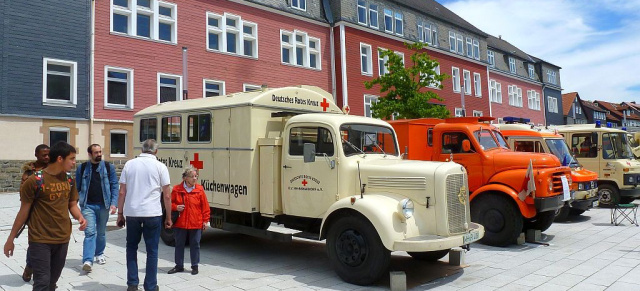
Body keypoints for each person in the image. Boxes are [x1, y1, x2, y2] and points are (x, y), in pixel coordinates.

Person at [4, 141, 87, 291]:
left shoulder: (69, 180)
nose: (75, 162)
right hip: (40, 239)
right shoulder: (34, 180)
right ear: (60, 159)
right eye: (72, 158)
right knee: (42, 283)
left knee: (52, 283)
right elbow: (23, 212)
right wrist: (10, 239)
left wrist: (80, 217)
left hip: (62, 238)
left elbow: (72, 205)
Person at [117, 139, 172, 291]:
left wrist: (120, 213)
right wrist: (168, 217)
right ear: (156, 151)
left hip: (133, 212)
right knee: (152, 250)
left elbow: (122, 191)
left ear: (142, 149)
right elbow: (167, 195)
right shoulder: (160, 166)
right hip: (152, 212)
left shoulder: (129, 164)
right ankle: (150, 286)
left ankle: (132, 284)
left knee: (131, 247)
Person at [75, 144, 119, 273]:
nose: (99, 154)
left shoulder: (108, 167)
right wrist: (74, 204)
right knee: (90, 232)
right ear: (90, 154)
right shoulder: (82, 168)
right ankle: (88, 260)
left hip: (104, 205)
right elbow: (77, 187)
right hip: (88, 205)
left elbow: (114, 186)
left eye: (100, 152)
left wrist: (114, 203)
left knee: (101, 232)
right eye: (96, 152)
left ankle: (99, 253)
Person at [168, 166, 210, 275]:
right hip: (180, 223)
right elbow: (170, 204)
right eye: (192, 176)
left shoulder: (199, 189)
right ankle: (179, 265)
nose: (195, 178)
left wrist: (205, 220)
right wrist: (176, 207)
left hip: (196, 223)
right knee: (179, 244)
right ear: (185, 178)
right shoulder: (177, 189)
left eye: (196, 176)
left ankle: (195, 266)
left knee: (195, 244)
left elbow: (205, 206)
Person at [19, 144, 50, 282]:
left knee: (50, 244)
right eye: (44, 155)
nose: (47, 157)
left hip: (51, 214)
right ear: (36, 155)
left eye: (49, 154)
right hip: (34, 215)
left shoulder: (53, 170)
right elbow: (23, 195)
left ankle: (45, 275)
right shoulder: (29, 173)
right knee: (36, 244)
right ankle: (30, 266)